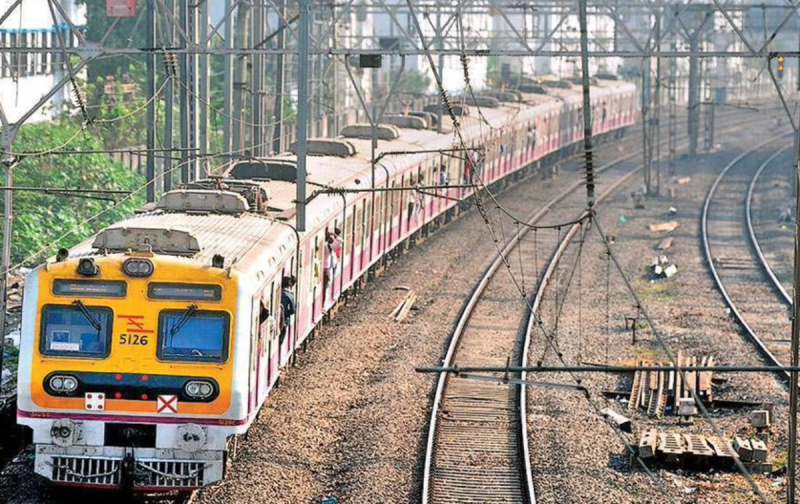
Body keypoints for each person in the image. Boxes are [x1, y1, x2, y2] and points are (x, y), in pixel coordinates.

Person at [280, 276, 296, 345]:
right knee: (282, 336)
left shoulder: (279, 294)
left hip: (277, 319)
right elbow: (293, 310)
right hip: (285, 319)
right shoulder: (290, 296)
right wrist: (286, 312)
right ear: (289, 285)